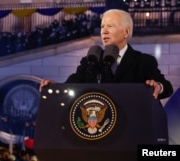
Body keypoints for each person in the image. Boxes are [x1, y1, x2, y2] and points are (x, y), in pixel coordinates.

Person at [39, 9, 173, 100]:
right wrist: (55, 87)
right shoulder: (90, 60)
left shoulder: (143, 61)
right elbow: (71, 86)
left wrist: (158, 87)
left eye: (110, 26)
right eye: (102, 26)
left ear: (126, 32)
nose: (104, 31)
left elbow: (166, 87)